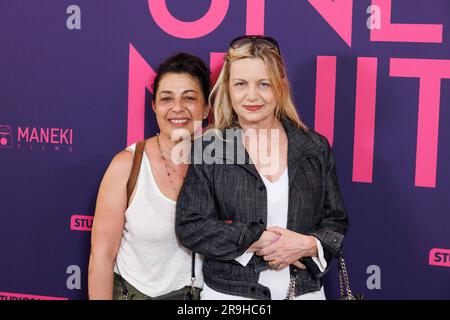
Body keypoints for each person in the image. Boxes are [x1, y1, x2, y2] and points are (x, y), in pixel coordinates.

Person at [175, 35, 348, 300]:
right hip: (231, 296)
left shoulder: (314, 146)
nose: (251, 96)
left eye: (263, 84)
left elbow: (335, 221)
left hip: (303, 293)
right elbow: (192, 226)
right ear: (228, 88)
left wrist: (307, 245)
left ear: (280, 86)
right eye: (241, 84)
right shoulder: (214, 146)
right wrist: (253, 237)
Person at [88, 53, 211, 300]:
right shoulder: (127, 165)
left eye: (189, 98)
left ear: (206, 107)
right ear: (154, 106)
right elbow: (101, 257)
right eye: (167, 99)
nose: (178, 108)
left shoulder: (219, 165)